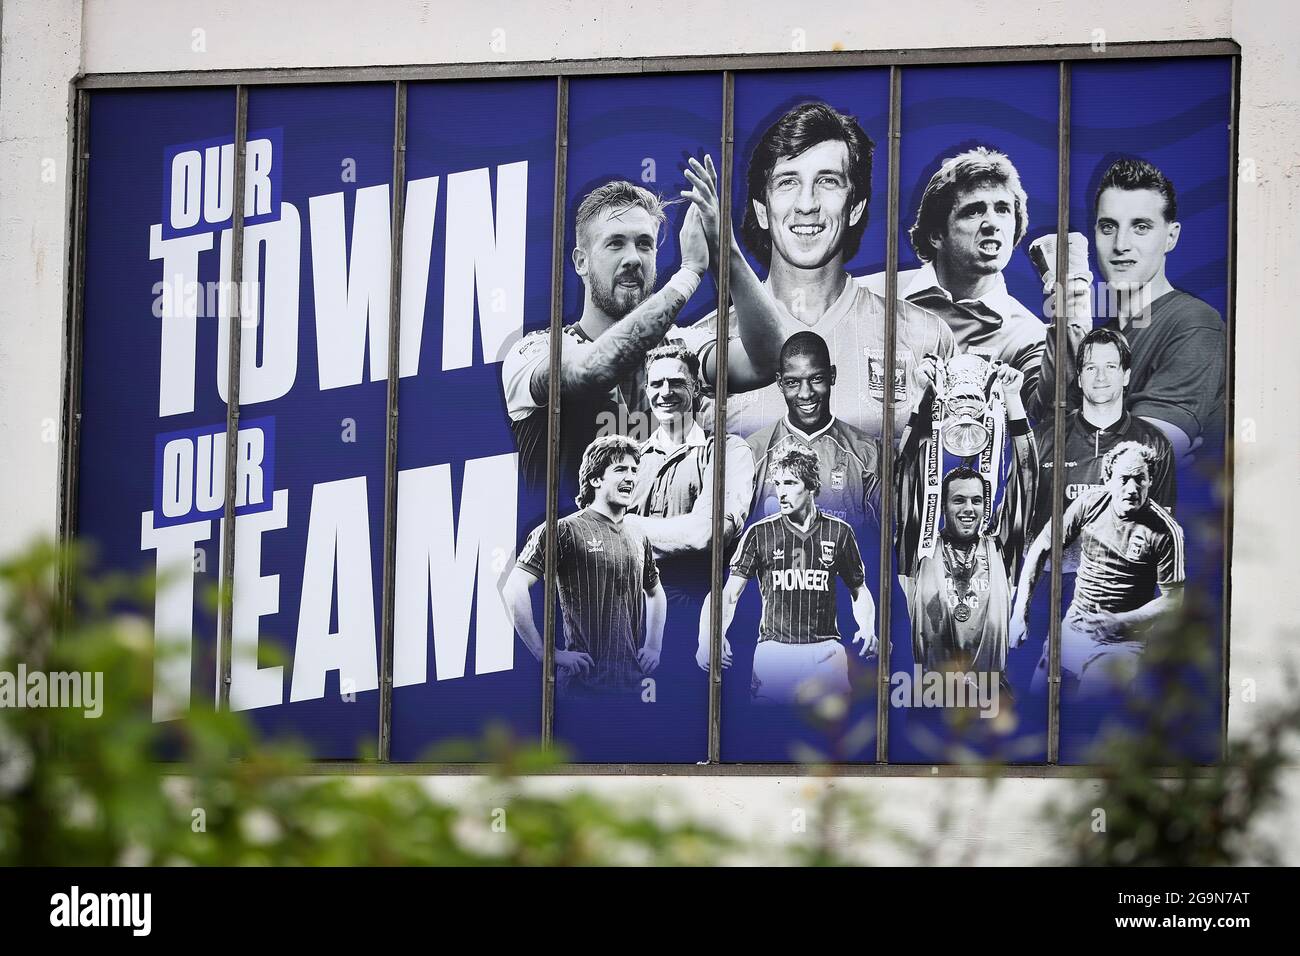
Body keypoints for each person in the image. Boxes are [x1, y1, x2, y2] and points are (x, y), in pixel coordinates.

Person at [681, 102, 955, 442]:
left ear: (855, 208)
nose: (807, 204)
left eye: (827, 181)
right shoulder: (700, 347)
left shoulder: (925, 337)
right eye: (787, 182)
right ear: (762, 211)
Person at [501, 180, 710, 493]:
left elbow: (765, 361)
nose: (633, 258)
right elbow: (590, 370)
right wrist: (690, 273)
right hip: (567, 540)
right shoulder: (535, 350)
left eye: (644, 244)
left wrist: (726, 250)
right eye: (615, 244)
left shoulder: (681, 346)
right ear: (581, 262)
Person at [1037, 157, 1226, 460]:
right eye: (1108, 227)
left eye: (1140, 227)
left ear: (1171, 236)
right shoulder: (1100, 338)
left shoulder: (1194, 323)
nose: (1121, 244)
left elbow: (1135, 461)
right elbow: (1047, 452)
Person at [865, 147, 1045, 410]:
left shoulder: (1028, 335)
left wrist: (1073, 311)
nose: (992, 223)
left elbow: (1049, 417)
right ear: (936, 235)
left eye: (1003, 209)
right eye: (973, 211)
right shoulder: (868, 296)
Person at [696, 446, 877, 705]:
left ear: (812, 486)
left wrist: (868, 628)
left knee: (831, 740)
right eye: (777, 483)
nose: (781, 491)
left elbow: (859, 590)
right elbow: (727, 596)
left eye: (790, 483)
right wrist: (708, 638)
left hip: (826, 652)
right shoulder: (759, 534)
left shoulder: (839, 532)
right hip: (775, 653)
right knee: (771, 737)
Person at [896, 360, 1036, 686]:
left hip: (990, 700)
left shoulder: (1001, 552)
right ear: (942, 506)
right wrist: (921, 398)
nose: (968, 509)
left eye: (976, 500)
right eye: (958, 500)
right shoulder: (920, 553)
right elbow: (903, 474)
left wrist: (1013, 399)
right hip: (933, 696)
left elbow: (1026, 477)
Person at [1012, 441, 1186, 696]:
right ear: (1108, 478)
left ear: (1150, 480)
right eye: (1124, 479)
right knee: (1038, 700)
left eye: (1140, 479)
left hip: (1123, 640)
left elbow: (1174, 599)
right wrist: (1019, 614)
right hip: (1075, 626)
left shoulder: (1166, 531)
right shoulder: (1089, 503)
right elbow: (1041, 547)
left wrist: (1122, 621)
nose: (1132, 489)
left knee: (1090, 708)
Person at [503, 435, 666, 696]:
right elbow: (514, 587)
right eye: (620, 469)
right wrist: (545, 652)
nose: (631, 477)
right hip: (583, 687)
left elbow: (655, 591)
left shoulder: (638, 535)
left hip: (631, 686)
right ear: (595, 479)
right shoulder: (564, 530)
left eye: (635, 470)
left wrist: (653, 646)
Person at [1030, 327, 1175, 570]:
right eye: (1090, 368)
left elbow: (1161, 531)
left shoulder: (1155, 443)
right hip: (1052, 587)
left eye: (1110, 367)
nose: (1100, 377)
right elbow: (1019, 522)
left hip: (1120, 590)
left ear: (1126, 375)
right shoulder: (1043, 438)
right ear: (1078, 377)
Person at [625, 343, 754, 577]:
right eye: (656, 384)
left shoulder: (728, 452)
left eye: (676, 382)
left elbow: (707, 533)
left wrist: (626, 525)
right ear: (646, 391)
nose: (665, 392)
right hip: (629, 604)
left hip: (694, 605)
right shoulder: (631, 459)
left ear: (695, 389)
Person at [746, 331, 880, 529]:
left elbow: (881, 538)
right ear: (780, 383)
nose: (806, 394)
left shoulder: (867, 452)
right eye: (793, 382)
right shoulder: (753, 452)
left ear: (832, 375)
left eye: (816, 379)